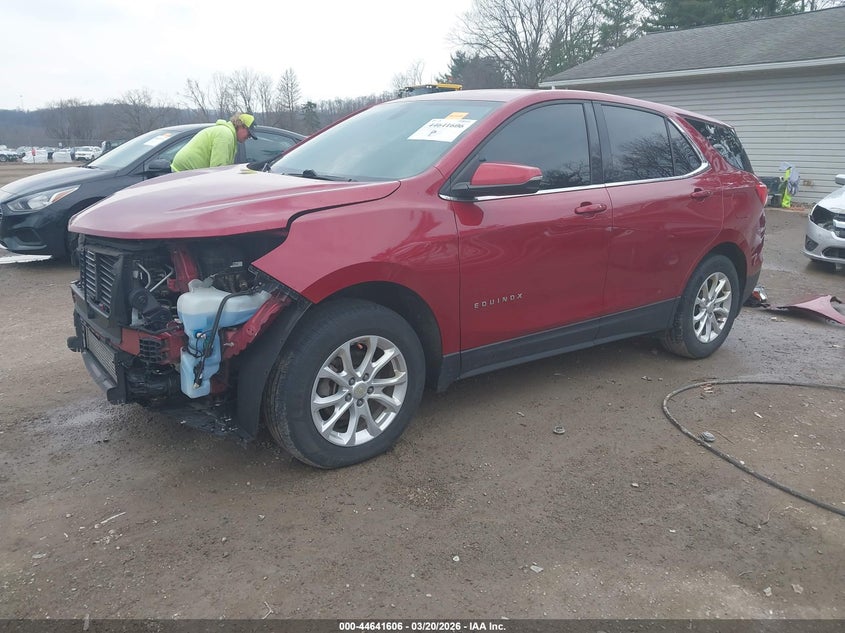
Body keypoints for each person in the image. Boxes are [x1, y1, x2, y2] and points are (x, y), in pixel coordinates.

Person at [170, 113, 257, 172]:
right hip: (184, 171)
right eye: (249, 133)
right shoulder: (225, 135)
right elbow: (218, 170)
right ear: (241, 126)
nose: (249, 137)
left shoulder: (226, 133)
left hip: (186, 171)